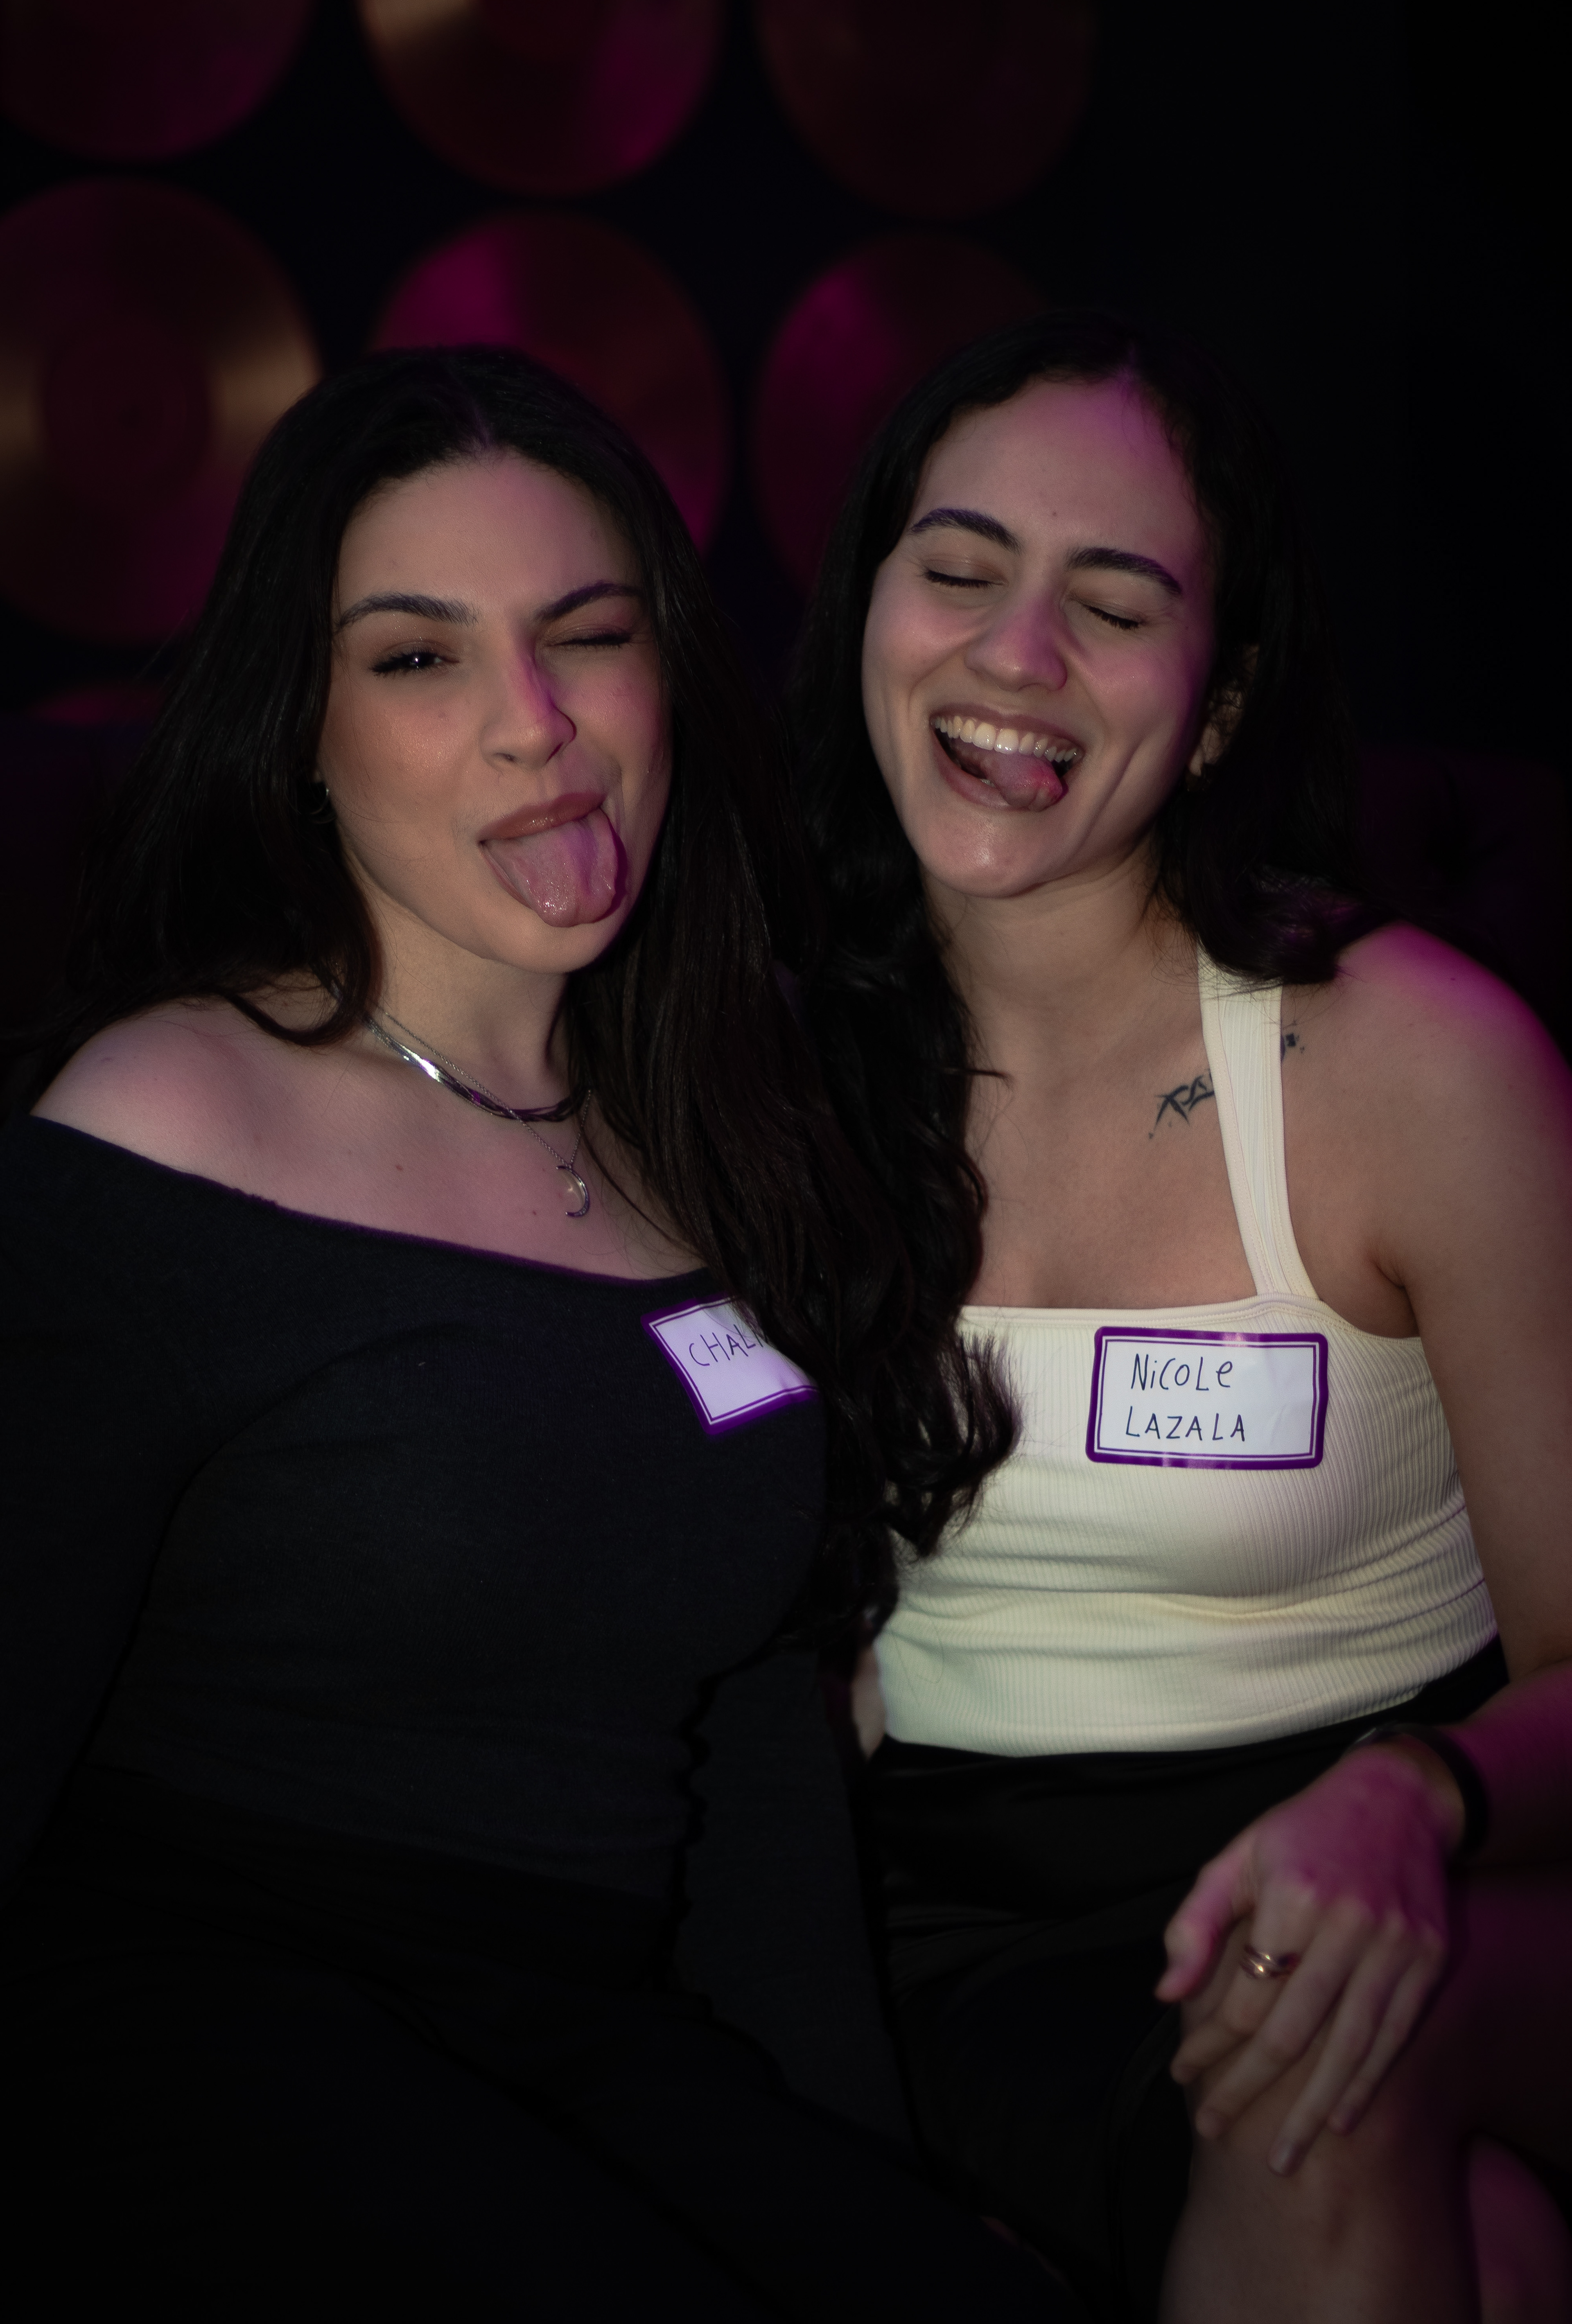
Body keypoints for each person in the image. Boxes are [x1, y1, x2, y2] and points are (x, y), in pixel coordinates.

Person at [0, 347, 1073, 2320]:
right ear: (300, 727)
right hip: (200, 2013)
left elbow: (749, 1746)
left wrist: (874, 2194)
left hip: (580, 2031)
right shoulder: (169, 1114)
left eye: (589, 635)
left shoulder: (714, 1139)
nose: (536, 723)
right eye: (420, 658)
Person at [793, 309, 1572, 2324]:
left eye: (1114, 603)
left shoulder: (1418, 1068)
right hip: (923, 1926)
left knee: (1313, 2041)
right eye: (960, 568)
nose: (1018, 654)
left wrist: (1420, 1796)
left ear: (1215, 710)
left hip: (1385, 1860)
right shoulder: (745, 1070)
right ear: (872, 609)